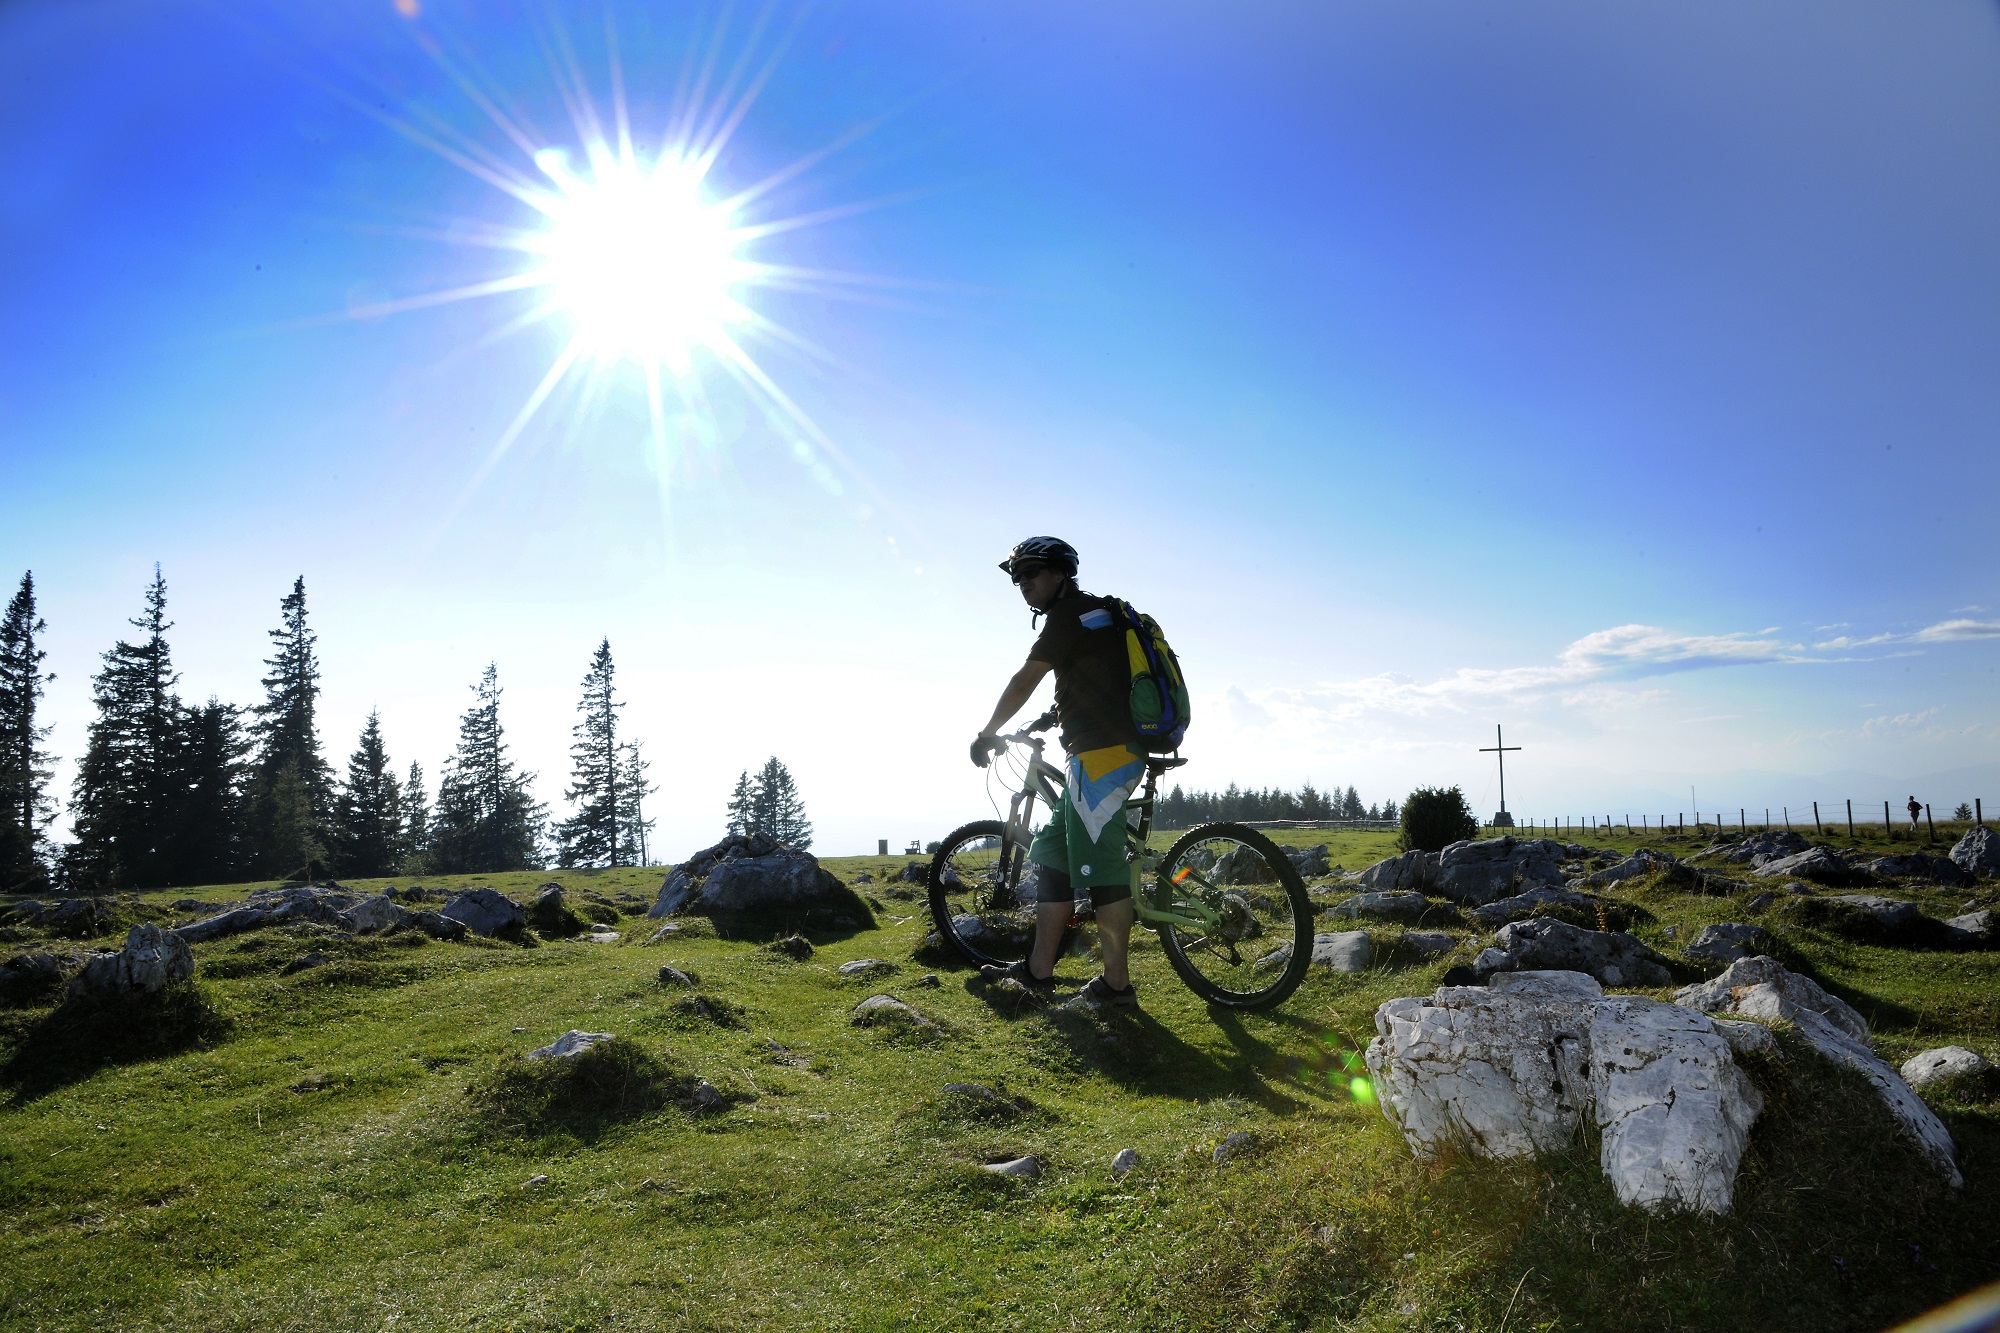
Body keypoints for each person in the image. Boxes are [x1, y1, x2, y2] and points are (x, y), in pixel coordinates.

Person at [969, 536, 1145, 1007]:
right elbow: (1093, 677)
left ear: (1059, 573)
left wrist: (987, 732)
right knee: (1052, 857)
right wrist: (1055, 716)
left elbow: (1026, 678)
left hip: (1102, 758)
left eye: (1031, 572)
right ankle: (1038, 971)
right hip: (1094, 754)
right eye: (1016, 576)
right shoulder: (1095, 614)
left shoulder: (1067, 616)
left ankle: (1116, 986)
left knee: (1103, 872)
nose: (1023, 583)